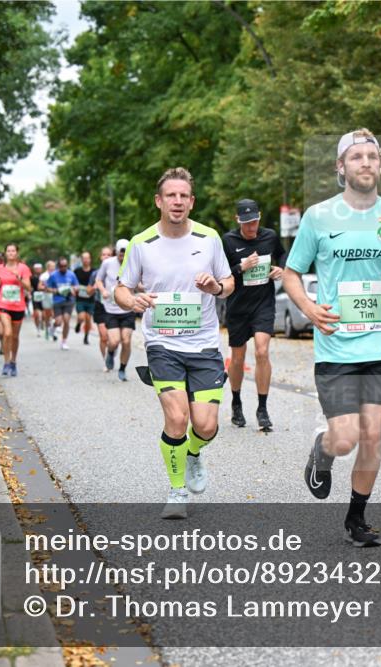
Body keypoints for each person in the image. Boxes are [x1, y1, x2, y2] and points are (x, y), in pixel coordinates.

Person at [283, 129, 381, 547]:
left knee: (372, 435)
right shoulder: (318, 217)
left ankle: (356, 517)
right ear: (341, 167)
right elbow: (292, 273)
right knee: (345, 438)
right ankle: (323, 450)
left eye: (372, 156)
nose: (365, 163)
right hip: (336, 345)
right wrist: (309, 309)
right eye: (356, 157)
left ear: (380, 165)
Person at [115, 167, 233, 520]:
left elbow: (229, 282)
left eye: (184, 196)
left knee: (206, 425)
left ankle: (193, 453)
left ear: (191, 201)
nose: (178, 201)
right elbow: (122, 288)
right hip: (162, 344)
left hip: (205, 345)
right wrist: (130, 301)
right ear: (159, 201)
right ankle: (176, 488)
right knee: (177, 418)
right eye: (171, 195)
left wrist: (216, 287)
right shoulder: (141, 243)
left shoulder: (209, 238)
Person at [221, 198, 286, 431]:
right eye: (247, 223)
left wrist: (281, 268)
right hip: (238, 307)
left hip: (263, 304)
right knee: (237, 358)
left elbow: (283, 255)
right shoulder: (228, 241)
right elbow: (220, 273)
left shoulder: (269, 236)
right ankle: (236, 402)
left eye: (255, 222)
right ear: (237, 220)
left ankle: (262, 408)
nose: (252, 227)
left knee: (262, 351)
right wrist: (241, 268)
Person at [95, 240, 136, 380]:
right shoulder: (107, 263)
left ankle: (123, 368)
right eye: (120, 254)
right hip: (111, 309)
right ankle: (111, 353)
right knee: (113, 341)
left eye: (125, 255)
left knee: (126, 340)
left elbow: (141, 281)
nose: (122, 257)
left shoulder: (133, 263)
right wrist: (103, 291)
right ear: (116, 252)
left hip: (128, 308)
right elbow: (98, 280)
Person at [0, 243, 33, 377]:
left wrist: (19, 278)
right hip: (3, 305)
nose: (10, 253)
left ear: (17, 253)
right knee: (7, 333)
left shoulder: (23, 268)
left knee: (15, 337)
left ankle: (13, 361)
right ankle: (5, 362)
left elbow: (28, 288)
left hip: (18, 306)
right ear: (5, 253)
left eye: (13, 251)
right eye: (8, 251)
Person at [45, 257, 79, 350]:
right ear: (58, 266)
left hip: (69, 300)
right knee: (59, 321)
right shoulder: (53, 275)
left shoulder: (71, 274)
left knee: (66, 320)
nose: (63, 268)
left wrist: (74, 289)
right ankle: (53, 326)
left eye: (65, 266)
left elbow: (76, 286)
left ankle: (64, 341)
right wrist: (55, 290)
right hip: (57, 300)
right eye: (61, 266)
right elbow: (46, 288)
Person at [93, 246, 113, 363]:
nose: (106, 257)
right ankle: (105, 359)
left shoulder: (117, 271)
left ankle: (111, 352)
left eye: (108, 254)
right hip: (100, 305)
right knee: (104, 336)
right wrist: (95, 287)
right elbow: (88, 290)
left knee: (113, 339)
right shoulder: (95, 273)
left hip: (113, 307)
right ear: (100, 257)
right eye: (104, 254)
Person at [73, 251, 97, 345]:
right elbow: (73, 282)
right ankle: (79, 323)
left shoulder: (94, 272)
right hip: (80, 298)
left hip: (91, 298)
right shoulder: (77, 271)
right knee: (82, 317)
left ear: (90, 260)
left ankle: (86, 337)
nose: (86, 260)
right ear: (81, 260)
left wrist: (94, 288)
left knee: (88, 319)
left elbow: (98, 282)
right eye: (84, 258)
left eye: (87, 258)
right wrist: (75, 288)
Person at [39, 260, 57, 340]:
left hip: (56, 296)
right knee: (47, 314)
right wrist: (46, 288)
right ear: (48, 267)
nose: (53, 267)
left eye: (54, 266)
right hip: (47, 296)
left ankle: (52, 330)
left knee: (54, 314)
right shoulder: (44, 276)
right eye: (51, 266)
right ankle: (47, 328)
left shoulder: (57, 274)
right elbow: (39, 287)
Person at [30, 263, 44, 336]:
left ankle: (43, 323)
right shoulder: (31, 277)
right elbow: (29, 286)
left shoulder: (44, 276)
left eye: (39, 268)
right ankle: (38, 328)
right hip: (35, 297)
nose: (38, 270)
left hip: (44, 296)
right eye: (36, 268)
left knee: (44, 314)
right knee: (37, 314)